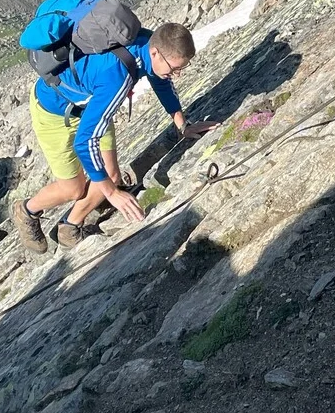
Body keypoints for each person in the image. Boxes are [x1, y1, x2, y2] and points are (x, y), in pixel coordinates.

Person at [11, 22, 217, 252]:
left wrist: (182, 125)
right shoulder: (117, 77)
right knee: (74, 189)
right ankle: (26, 211)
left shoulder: (148, 44)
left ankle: (69, 227)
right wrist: (111, 192)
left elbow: (160, 79)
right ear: (156, 52)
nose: (176, 75)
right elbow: (84, 141)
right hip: (54, 112)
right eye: (174, 69)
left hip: (92, 103)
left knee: (110, 174)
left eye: (180, 69)